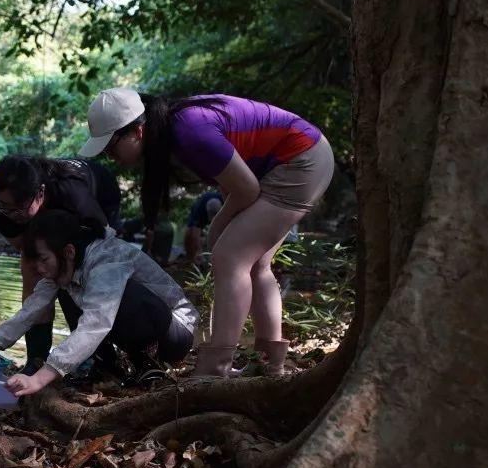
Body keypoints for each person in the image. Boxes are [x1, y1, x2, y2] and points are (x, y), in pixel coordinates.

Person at [78, 88, 334, 377]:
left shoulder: (189, 132)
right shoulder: (175, 132)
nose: (110, 157)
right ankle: (268, 364)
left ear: (137, 131)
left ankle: (215, 369)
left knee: (231, 256)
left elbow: (247, 189)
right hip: (302, 156)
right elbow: (233, 179)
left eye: (111, 147)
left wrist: (218, 227)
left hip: (300, 159)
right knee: (256, 264)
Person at [0, 209, 198, 397]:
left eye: (44, 260)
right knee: (65, 289)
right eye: (37, 262)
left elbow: (95, 324)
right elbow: (31, 309)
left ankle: (149, 365)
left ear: (68, 251)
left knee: (118, 294)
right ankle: (107, 367)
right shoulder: (65, 269)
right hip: (146, 327)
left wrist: (40, 378)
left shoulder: (107, 261)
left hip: (176, 333)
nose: (40, 269)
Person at [0, 155, 122, 373]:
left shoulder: (72, 194)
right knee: (37, 270)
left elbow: (103, 242)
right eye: (6, 207)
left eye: (19, 209)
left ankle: (99, 357)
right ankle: (36, 359)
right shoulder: (3, 207)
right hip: (51, 219)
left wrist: (63, 273)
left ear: (40, 194)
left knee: (73, 275)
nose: (12, 215)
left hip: (98, 200)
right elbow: (32, 259)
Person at [183, 190, 224, 264]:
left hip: (221, 213)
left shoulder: (225, 200)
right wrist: (199, 250)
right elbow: (195, 233)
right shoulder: (199, 209)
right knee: (189, 234)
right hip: (199, 214)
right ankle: (191, 260)